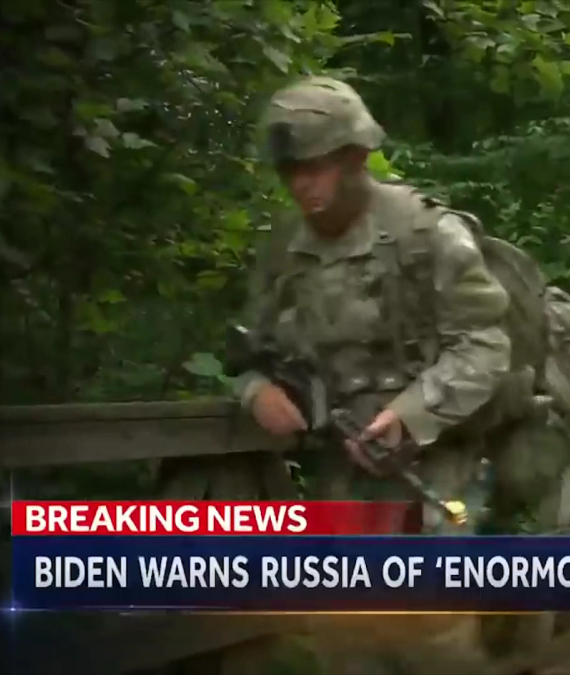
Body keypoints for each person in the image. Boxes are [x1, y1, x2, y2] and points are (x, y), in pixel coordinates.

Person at [236, 75, 513, 674]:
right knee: (345, 643)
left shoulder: (425, 233)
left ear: (354, 158)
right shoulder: (283, 249)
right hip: (339, 474)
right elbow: (250, 351)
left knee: (433, 636)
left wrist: (411, 414)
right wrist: (257, 391)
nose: (302, 184)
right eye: (291, 171)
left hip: (433, 466)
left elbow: (487, 345)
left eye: (315, 167)